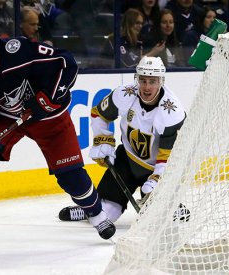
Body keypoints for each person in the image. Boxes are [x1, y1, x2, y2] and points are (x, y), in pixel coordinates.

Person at [0, 15, 116, 250]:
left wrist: (49, 98)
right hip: (7, 117)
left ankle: (96, 213)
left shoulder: (19, 51)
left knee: (70, 176)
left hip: (50, 117)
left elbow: (66, 62)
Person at [59, 56, 186, 223]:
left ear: (161, 81)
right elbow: (99, 114)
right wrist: (102, 139)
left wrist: (158, 178)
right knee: (106, 215)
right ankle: (89, 209)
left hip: (157, 167)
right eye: (143, 80)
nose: (147, 87)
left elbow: (170, 154)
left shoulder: (171, 112)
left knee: (158, 219)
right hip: (127, 159)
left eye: (152, 81)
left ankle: (171, 206)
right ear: (137, 79)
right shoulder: (125, 94)